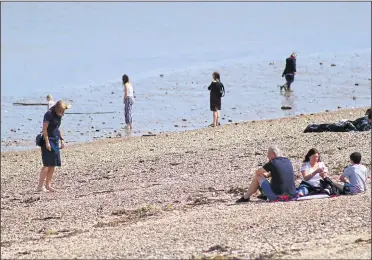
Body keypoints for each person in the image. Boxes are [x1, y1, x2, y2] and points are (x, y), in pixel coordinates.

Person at [37, 100, 71, 192]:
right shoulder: (49, 114)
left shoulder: (58, 115)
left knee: (53, 164)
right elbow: (44, 129)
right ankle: (40, 186)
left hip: (55, 140)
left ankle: (48, 185)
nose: (63, 114)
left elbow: (57, 127)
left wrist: (62, 139)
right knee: (47, 164)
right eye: (62, 111)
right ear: (58, 109)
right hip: (47, 139)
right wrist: (47, 142)